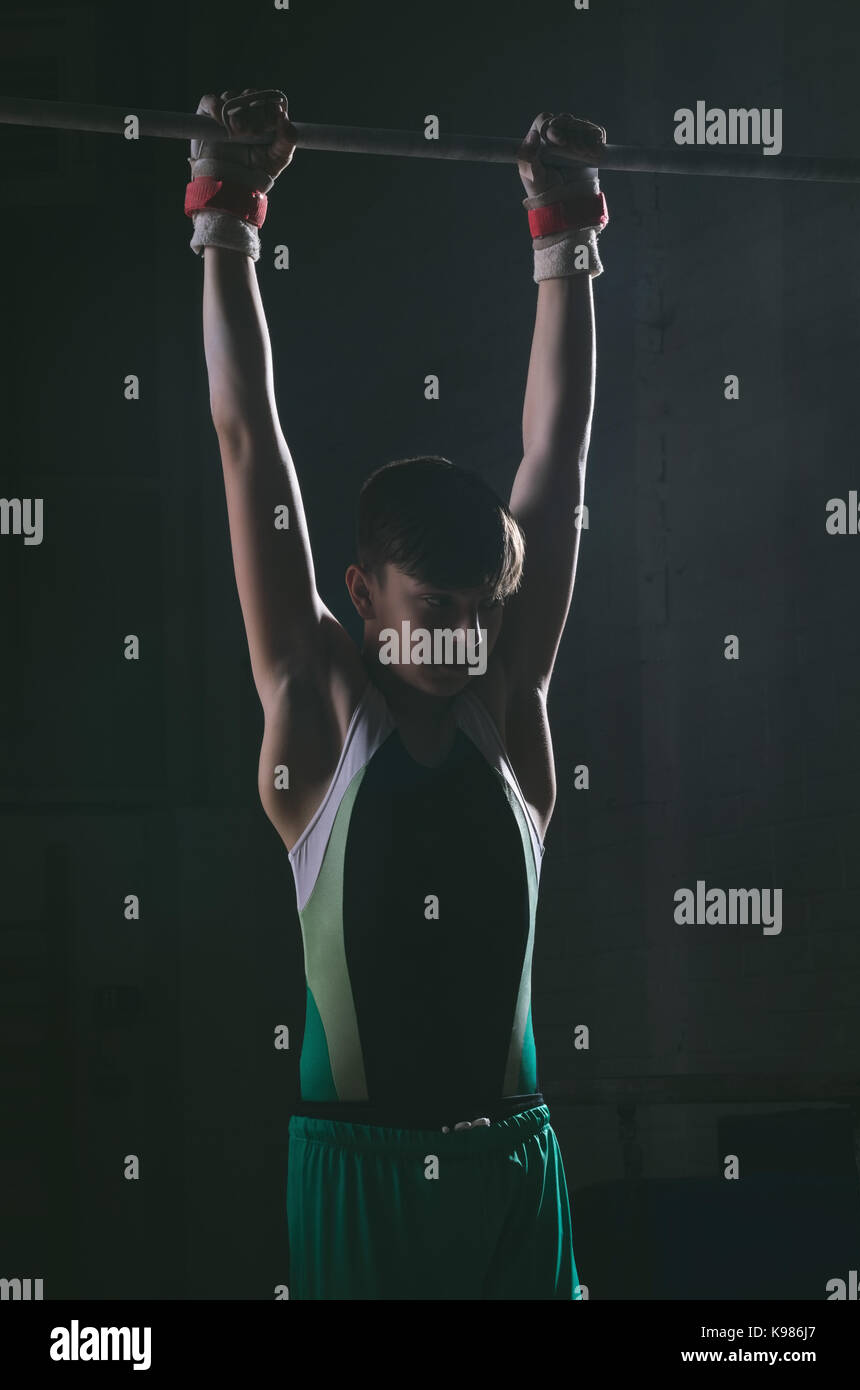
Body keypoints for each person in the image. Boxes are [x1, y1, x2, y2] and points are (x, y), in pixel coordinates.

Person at [186, 87, 608, 1299]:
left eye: (486, 609)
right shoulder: (317, 718)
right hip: (363, 1177)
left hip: (515, 1158)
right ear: (361, 595)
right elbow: (244, 442)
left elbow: (557, 449)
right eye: (438, 615)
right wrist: (225, 215)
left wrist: (563, 230)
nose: (473, 640)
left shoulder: (505, 698)